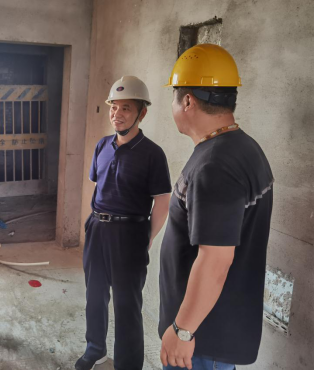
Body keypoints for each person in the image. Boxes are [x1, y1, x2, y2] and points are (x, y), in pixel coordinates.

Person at [159, 44, 274, 370]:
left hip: (200, 339)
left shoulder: (215, 166)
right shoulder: (243, 147)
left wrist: (182, 330)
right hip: (215, 330)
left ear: (188, 101)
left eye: (174, 97)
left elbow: (215, 260)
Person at [76, 76, 171, 370]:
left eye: (126, 108)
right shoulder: (102, 145)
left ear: (142, 113)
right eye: (113, 107)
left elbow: (162, 202)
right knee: (94, 296)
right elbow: (96, 186)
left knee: (127, 305)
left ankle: (128, 365)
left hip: (130, 234)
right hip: (97, 228)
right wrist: (90, 223)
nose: (117, 114)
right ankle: (95, 350)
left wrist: (147, 238)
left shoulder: (153, 154)